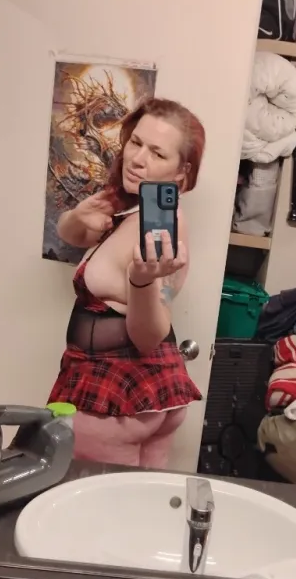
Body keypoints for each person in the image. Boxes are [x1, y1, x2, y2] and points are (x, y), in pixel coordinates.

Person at [49, 97, 206, 468]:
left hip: (117, 396)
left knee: (94, 500)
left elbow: (149, 336)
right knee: (141, 501)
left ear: (181, 172)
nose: (138, 159)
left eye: (157, 153)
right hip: (150, 393)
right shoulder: (129, 207)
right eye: (136, 142)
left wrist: (140, 282)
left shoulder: (163, 226)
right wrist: (78, 215)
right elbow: (72, 234)